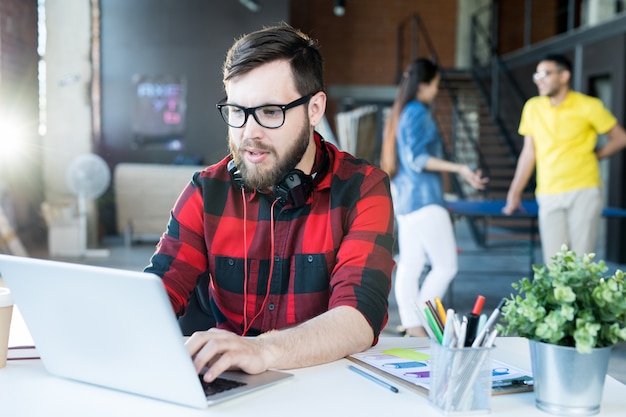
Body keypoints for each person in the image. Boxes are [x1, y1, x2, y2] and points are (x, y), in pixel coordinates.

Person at [144, 24, 395, 383]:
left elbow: (358, 317)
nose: (249, 133)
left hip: (326, 389)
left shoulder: (363, 189)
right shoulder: (206, 191)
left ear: (314, 109)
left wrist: (262, 350)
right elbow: (159, 291)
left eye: (270, 112)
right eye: (237, 111)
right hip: (228, 387)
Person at [380, 58, 488, 337]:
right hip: (425, 200)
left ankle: (414, 326)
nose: (436, 91)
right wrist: (461, 168)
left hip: (406, 200)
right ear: (424, 85)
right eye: (436, 85)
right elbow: (418, 159)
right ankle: (424, 323)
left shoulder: (400, 114)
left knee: (410, 264)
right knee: (445, 265)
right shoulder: (417, 112)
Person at [502, 53, 626, 263]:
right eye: (536, 75)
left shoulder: (589, 105)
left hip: (584, 190)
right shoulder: (532, 107)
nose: (539, 79)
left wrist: (594, 155)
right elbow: (528, 152)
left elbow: (620, 138)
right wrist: (514, 192)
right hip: (548, 192)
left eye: (545, 73)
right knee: (554, 263)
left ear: (564, 76)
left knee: (581, 263)